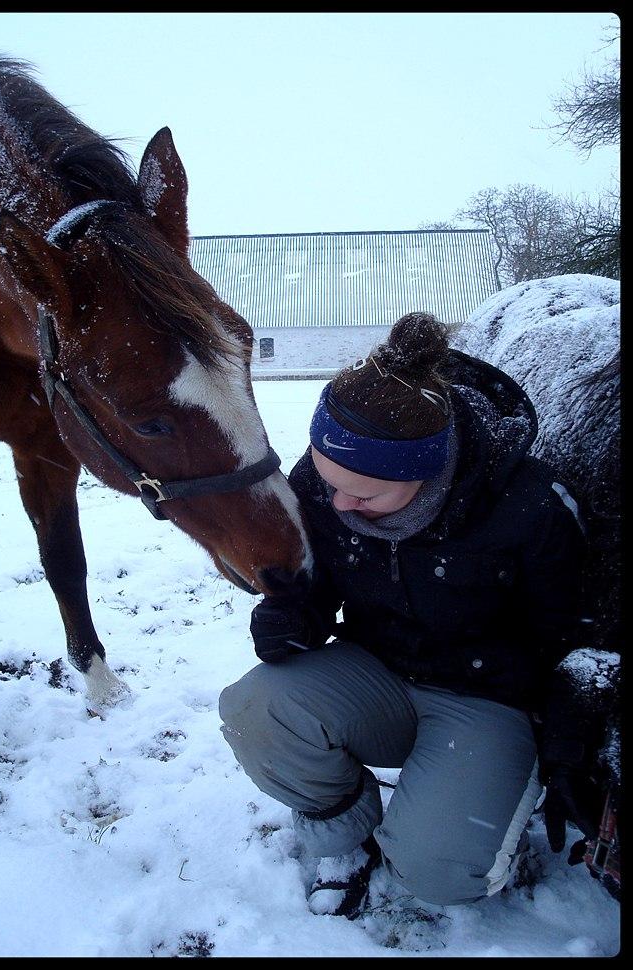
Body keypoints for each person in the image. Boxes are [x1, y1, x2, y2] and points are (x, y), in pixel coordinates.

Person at [219, 311, 591, 918]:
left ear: (427, 473)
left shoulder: (528, 507)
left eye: (362, 496)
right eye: (324, 476)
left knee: (441, 872)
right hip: (378, 671)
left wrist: (566, 724)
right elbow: (319, 583)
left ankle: (469, 815)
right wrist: (298, 617)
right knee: (256, 709)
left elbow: (571, 629)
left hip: (486, 699)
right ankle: (342, 841)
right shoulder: (324, 482)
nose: (336, 502)